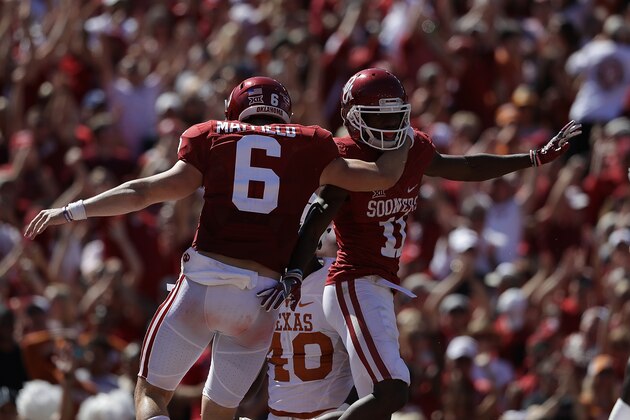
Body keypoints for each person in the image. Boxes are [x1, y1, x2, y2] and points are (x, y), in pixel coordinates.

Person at [23, 76, 410, 420]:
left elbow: (145, 191)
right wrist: (406, 135)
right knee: (219, 413)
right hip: (261, 301)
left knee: (152, 394)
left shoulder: (210, 135)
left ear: (234, 112)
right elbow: (385, 175)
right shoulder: (311, 143)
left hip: (203, 284)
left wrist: (72, 211)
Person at [265, 68, 582, 419]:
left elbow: (463, 166)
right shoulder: (344, 157)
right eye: (377, 117)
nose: (387, 126)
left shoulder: (412, 146)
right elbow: (318, 218)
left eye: (393, 116)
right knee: (393, 391)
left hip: (378, 285)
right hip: (353, 282)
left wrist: (531, 158)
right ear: (353, 118)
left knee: (376, 406)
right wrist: (292, 270)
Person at [266, 195, 355, 420]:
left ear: (316, 237)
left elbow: (369, 370)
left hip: (332, 414)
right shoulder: (263, 279)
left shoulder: (338, 281)